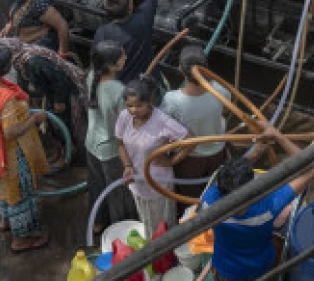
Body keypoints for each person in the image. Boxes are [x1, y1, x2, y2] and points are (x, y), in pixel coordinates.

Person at [201, 127, 314, 281]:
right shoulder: (268, 206)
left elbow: (228, 178)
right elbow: (312, 167)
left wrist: (257, 150)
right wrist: (279, 136)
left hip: (226, 270)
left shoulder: (210, 201)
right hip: (260, 270)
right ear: (252, 189)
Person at [116, 75, 191, 237]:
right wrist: (127, 166)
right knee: (147, 220)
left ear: (149, 102)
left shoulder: (162, 121)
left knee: (162, 226)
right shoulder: (124, 117)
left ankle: (164, 253)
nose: (133, 110)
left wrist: (171, 161)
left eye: (139, 106)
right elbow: (120, 144)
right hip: (137, 182)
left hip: (158, 184)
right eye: (129, 105)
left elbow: (190, 140)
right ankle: (154, 251)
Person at [161, 43, 230, 207]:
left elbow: (163, 127)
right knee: (215, 195)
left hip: (188, 159)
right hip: (217, 154)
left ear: (180, 70)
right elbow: (226, 111)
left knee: (190, 200)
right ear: (205, 69)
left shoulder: (172, 100)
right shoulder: (220, 90)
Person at [0, 37, 88, 154]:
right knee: (52, 123)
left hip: (63, 91)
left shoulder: (34, 62)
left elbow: (59, 79)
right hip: (47, 94)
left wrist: (59, 100)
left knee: (66, 122)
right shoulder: (19, 61)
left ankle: (72, 151)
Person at [0, 46, 49, 253]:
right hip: (11, 153)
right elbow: (10, 132)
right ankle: (22, 238)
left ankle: (6, 221)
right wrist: (33, 120)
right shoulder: (6, 98)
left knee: (5, 190)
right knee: (19, 191)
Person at [86, 41, 137, 235]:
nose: (126, 58)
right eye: (122, 57)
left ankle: (98, 222)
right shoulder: (119, 91)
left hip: (92, 143)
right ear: (111, 65)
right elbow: (128, 126)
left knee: (97, 186)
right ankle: (120, 230)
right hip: (111, 151)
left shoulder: (91, 76)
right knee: (118, 194)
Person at [1, 0, 69, 53]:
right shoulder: (19, 2)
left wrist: (62, 54)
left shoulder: (38, 4)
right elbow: (17, 16)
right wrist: (9, 25)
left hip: (41, 50)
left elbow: (62, 26)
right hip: (25, 46)